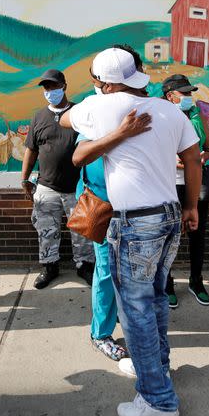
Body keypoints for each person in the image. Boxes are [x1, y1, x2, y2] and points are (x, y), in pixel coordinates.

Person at [61, 47, 201, 416]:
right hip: (170, 216)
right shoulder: (171, 109)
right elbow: (193, 158)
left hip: (135, 223)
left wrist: (114, 132)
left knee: (136, 311)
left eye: (96, 80)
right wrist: (192, 205)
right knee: (154, 300)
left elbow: (67, 131)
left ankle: (157, 398)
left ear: (103, 82)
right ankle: (160, 370)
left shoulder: (100, 106)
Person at [72, 80, 153, 362]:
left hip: (139, 207)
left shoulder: (144, 107)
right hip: (106, 207)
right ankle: (101, 333)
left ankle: (122, 319)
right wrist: (121, 133)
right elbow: (82, 156)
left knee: (132, 272)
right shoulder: (94, 111)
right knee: (107, 270)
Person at [21, 68, 94, 289]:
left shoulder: (78, 114)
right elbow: (31, 150)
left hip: (77, 187)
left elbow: (90, 147)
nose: (50, 91)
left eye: (54, 86)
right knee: (46, 231)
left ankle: (84, 266)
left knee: (81, 231)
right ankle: (49, 266)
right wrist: (25, 179)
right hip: (46, 187)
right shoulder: (39, 116)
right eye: (46, 87)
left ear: (64, 86)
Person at [161, 74, 209, 307]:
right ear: (170, 96)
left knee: (197, 234)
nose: (189, 97)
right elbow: (154, 149)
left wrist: (202, 156)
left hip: (196, 183)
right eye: (184, 93)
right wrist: (173, 160)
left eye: (190, 93)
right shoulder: (160, 117)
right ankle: (167, 284)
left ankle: (196, 280)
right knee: (169, 236)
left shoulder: (198, 115)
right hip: (169, 184)